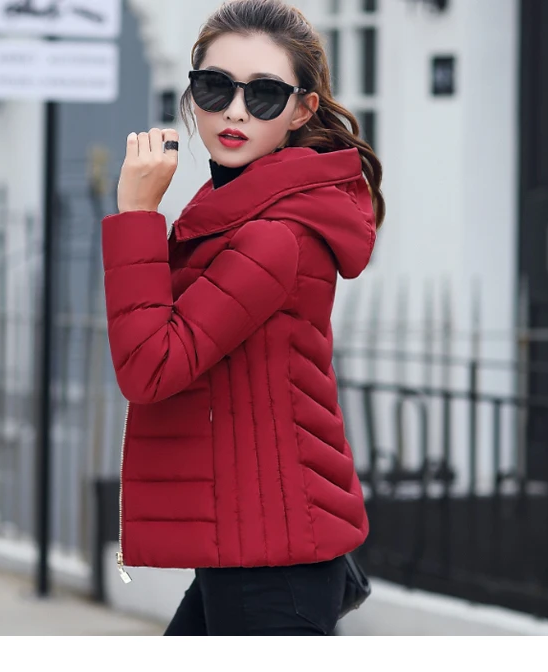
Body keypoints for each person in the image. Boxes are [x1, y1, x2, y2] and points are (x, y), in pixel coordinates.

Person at [101, 0, 385, 636]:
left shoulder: (271, 235)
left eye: (263, 94)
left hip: (272, 562)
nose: (234, 110)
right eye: (215, 86)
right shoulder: (233, 209)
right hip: (251, 542)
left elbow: (151, 367)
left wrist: (136, 216)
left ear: (302, 110)